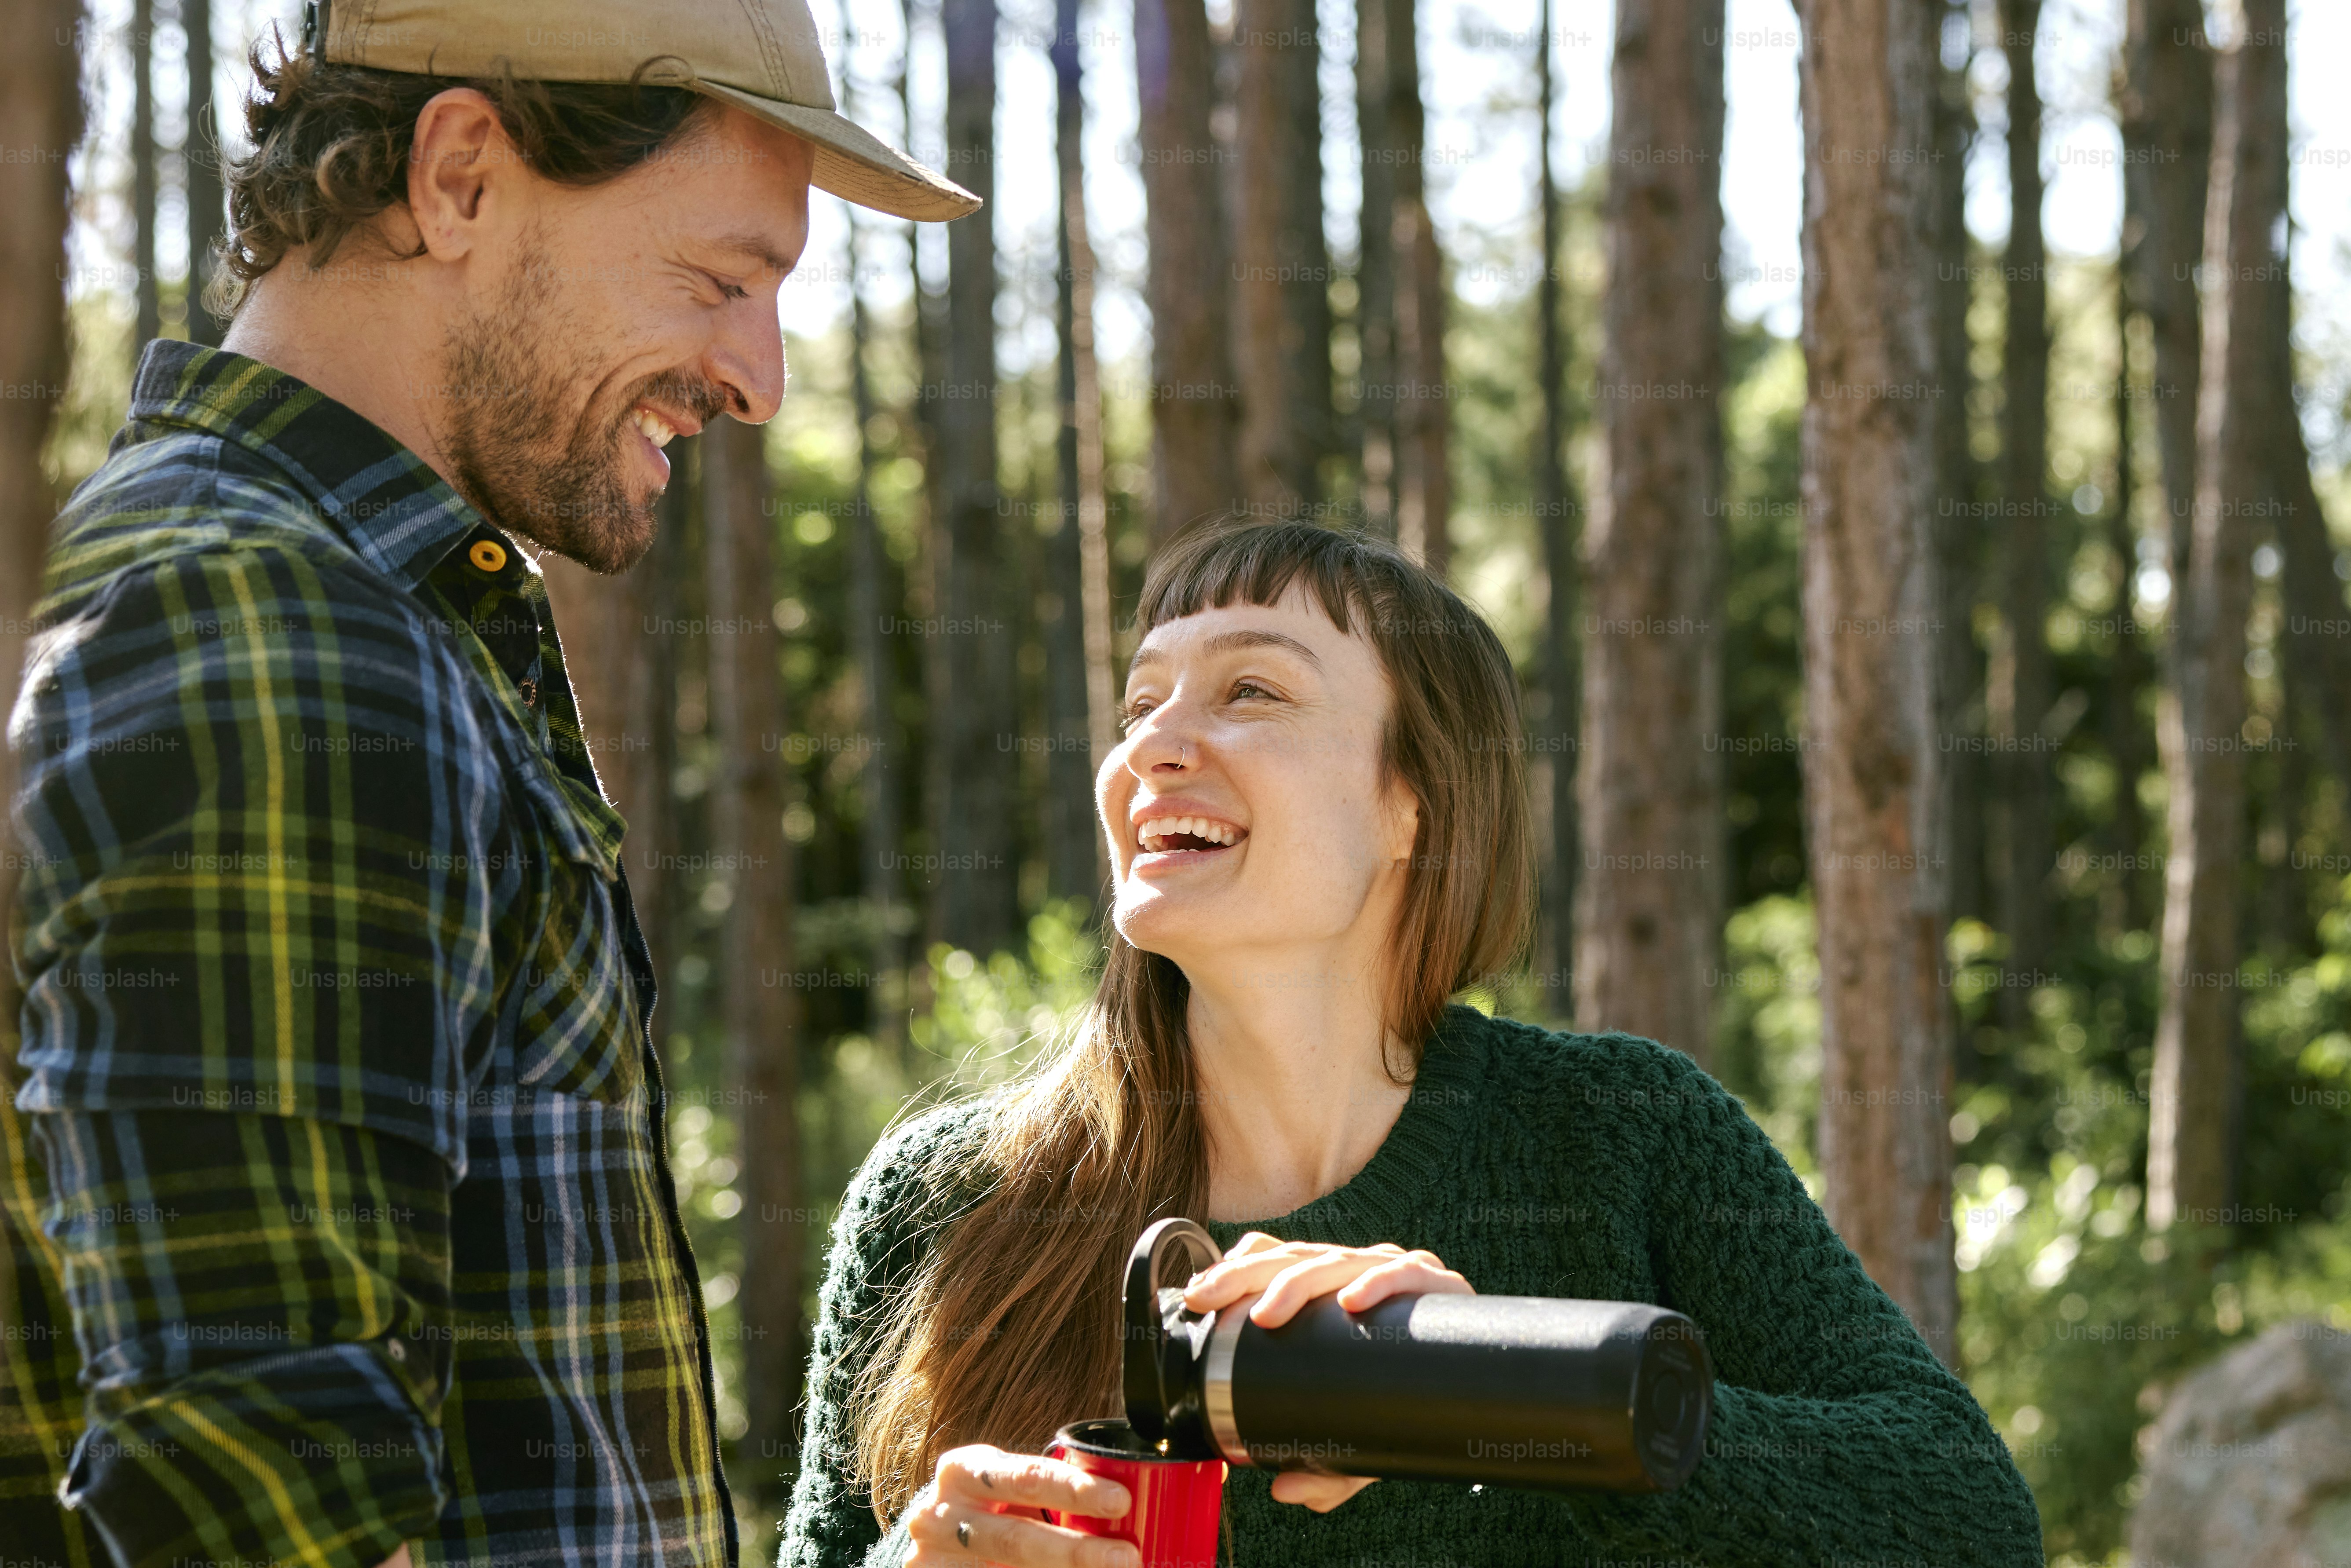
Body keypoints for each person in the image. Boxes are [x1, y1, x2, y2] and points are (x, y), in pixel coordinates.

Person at [0, 1, 976, 1564]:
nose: (760, 377)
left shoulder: (319, 601)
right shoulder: (278, 639)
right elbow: (264, 1516)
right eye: (720, 280)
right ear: (458, 176)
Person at [779, 520, 2045, 1568]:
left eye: (1250, 691)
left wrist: (1510, 1394)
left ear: (1412, 803)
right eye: (1140, 702)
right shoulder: (947, 1196)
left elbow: (1966, 1520)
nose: (1152, 746)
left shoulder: (1620, 1131)